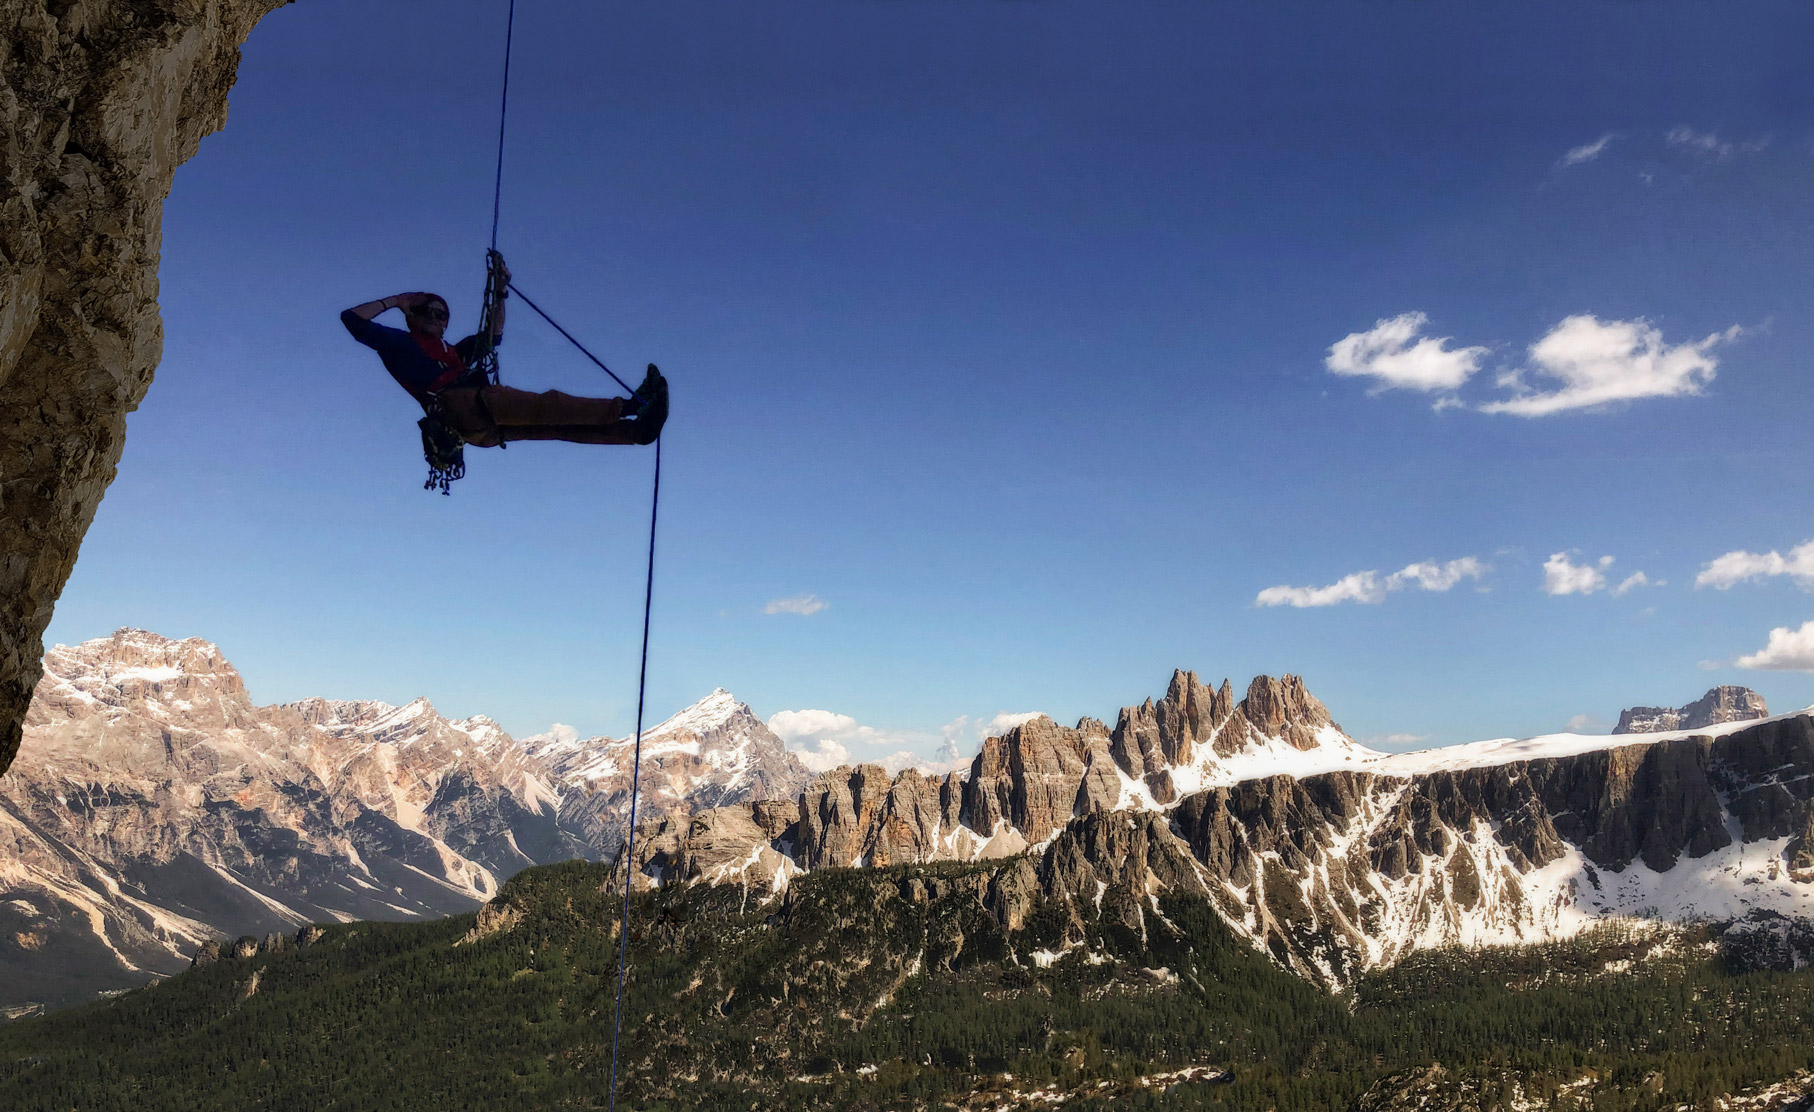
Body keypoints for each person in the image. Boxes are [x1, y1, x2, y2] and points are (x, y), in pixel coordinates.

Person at [340, 256, 667, 448]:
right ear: (413, 315)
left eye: (442, 314)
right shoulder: (400, 343)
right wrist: (396, 300)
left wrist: (500, 291)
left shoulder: (453, 351)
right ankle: (629, 406)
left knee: (554, 427)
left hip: (477, 426)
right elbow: (352, 320)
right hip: (466, 405)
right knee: (548, 405)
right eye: (427, 310)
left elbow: (492, 335)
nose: (435, 317)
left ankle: (637, 432)